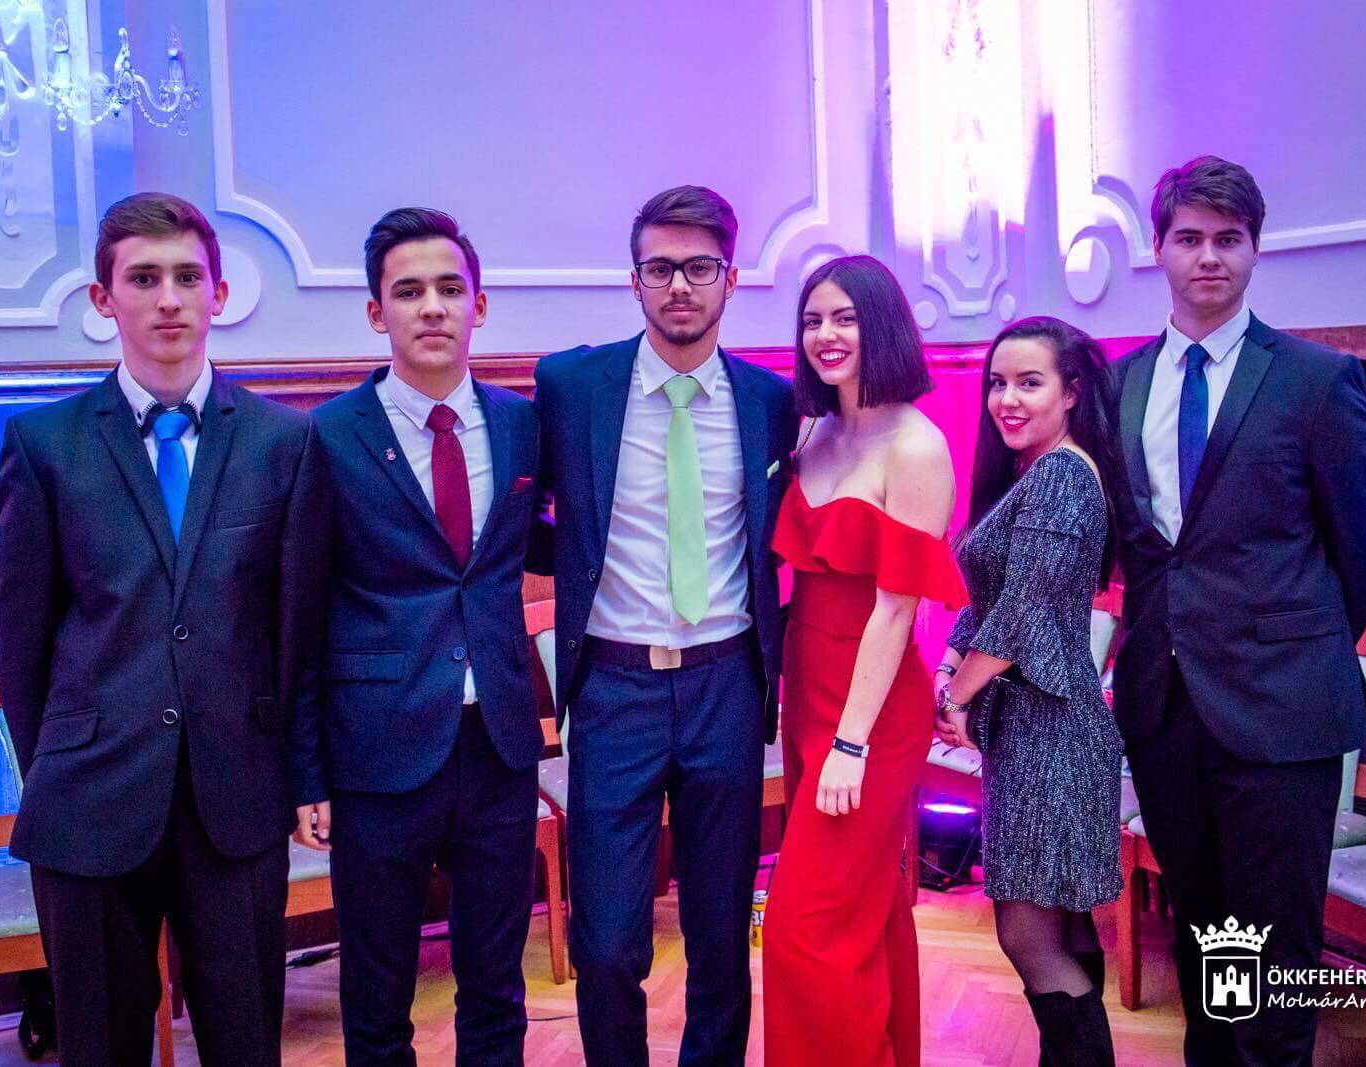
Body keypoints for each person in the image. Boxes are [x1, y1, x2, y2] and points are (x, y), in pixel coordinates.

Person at [0, 192, 327, 1065]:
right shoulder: (44, 443)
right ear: (104, 299)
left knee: (246, 1042)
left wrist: (297, 771)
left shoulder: (283, 442)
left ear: (219, 292)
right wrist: (58, 758)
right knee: (100, 1045)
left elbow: (295, 630)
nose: (169, 298)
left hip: (237, 796)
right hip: (89, 798)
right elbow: (20, 642)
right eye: (144, 278)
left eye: (187, 276)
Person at [1110, 156, 1366, 1065]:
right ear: (1158, 248)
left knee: (1275, 959)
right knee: (1205, 940)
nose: (1209, 257)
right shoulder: (1120, 382)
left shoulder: (1317, 379)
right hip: (1164, 708)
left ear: (1255, 250)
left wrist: (1292, 646)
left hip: (1282, 711)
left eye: (1228, 239)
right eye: (1189, 238)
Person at [530, 185, 797, 1065]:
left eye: (699, 267)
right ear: (634, 278)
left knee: (721, 935)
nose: (679, 285)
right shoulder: (573, 388)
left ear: (731, 278)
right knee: (608, 942)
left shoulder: (770, 401)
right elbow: (529, 519)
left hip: (727, 684)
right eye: (659, 268)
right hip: (615, 689)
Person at [288, 208, 547, 1065]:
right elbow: (300, 613)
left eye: (449, 288)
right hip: (377, 752)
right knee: (377, 1002)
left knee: (497, 989)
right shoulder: (327, 436)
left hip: (498, 745)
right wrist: (307, 771)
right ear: (377, 313)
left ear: (480, 305)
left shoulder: (521, 424)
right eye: (408, 292)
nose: (431, 307)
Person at [762, 255, 965, 1067]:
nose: (826, 333)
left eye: (844, 316)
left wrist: (850, 740)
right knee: (865, 910)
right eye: (813, 319)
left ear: (881, 324)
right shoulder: (815, 430)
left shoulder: (917, 444)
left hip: (870, 712)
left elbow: (896, 608)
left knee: (803, 927)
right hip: (806, 685)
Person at [934, 316, 1123, 1065]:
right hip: (1040, 724)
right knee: (1062, 930)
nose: (1006, 399)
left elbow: (1022, 609)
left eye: (1029, 382)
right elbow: (993, 597)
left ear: (1071, 392)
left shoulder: (1063, 475)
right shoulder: (1036, 472)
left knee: (1026, 933)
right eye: (997, 383)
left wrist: (954, 696)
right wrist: (953, 659)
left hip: (1053, 729)